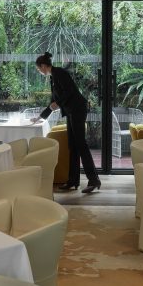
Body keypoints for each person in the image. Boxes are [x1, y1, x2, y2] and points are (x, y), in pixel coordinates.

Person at [33, 52, 101, 193]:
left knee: (81, 144)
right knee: (73, 145)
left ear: (43, 66)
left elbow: (69, 92)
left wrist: (57, 103)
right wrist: (40, 117)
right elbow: (53, 101)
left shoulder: (60, 73)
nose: (39, 71)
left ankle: (94, 180)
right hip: (71, 111)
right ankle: (73, 181)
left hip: (77, 109)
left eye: (39, 69)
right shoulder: (53, 77)